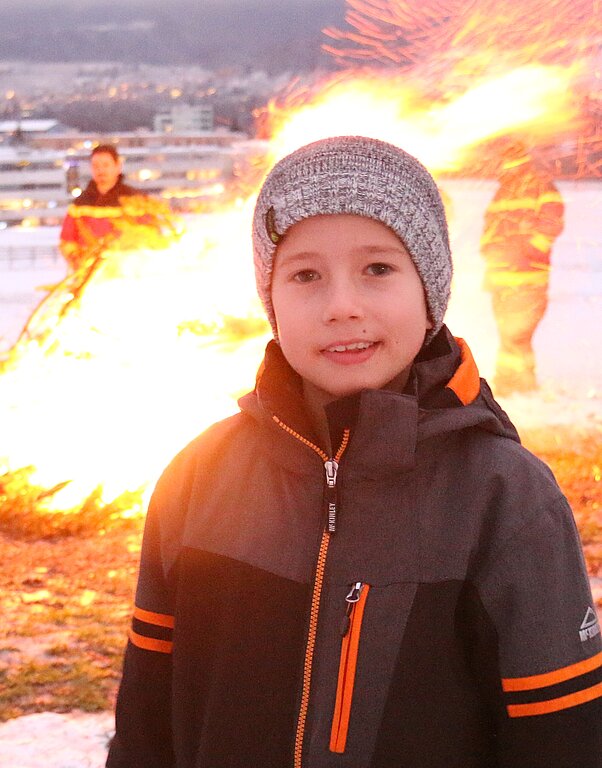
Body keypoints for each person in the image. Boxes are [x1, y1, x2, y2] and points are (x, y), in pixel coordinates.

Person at [107, 136, 601, 768]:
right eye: (306, 275)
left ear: (430, 294)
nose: (342, 306)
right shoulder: (198, 478)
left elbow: (561, 738)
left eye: (378, 269)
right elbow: (146, 721)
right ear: (271, 303)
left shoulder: (504, 496)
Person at [480, 141, 565, 396]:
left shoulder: (540, 186)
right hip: (501, 277)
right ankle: (512, 383)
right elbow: (489, 231)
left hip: (528, 277)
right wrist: (490, 254)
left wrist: (526, 253)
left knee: (519, 332)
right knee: (508, 332)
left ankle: (521, 385)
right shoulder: (503, 192)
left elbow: (551, 224)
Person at [59, 144, 141, 271]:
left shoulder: (135, 201)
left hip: (126, 276)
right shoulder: (79, 205)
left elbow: (150, 237)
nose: (101, 170)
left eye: (106, 165)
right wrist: (76, 259)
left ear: (118, 167)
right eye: (96, 166)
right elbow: (67, 240)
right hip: (89, 276)